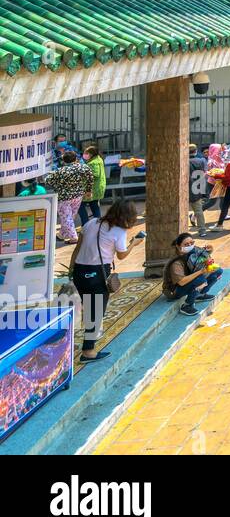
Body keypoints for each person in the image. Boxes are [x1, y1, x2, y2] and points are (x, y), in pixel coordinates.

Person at [71, 199, 142, 361]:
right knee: (95, 312)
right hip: (98, 273)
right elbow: (122, 255)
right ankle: (88, 351)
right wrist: (134, 244)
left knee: (89, 308)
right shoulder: (118, 231)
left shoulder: (91, 223)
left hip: (79, 271)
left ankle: (88, 339)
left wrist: (71, 271)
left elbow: (77, 248)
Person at [163, 232, 222, 316]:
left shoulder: (193, 251)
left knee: (217, 271)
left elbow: (203, 257)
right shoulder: (176, 262)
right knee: (201, 280)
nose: (190, 245)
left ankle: (200, 295)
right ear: (178, 246)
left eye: (192, 243)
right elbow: (181, 282)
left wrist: (209, 251)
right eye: (186, 244)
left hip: (189, 281)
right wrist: (201, 272)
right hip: (174, 290)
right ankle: (187, 305)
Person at [46, 150, 93, 243]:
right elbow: (90, 177)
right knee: (70, 216)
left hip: (64, 197)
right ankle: (62, 234)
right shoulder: (83, 167)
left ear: (64, 161)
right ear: (76, 159)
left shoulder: (60, 171)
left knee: (66, 217)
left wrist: (58, 185)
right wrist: (88, 189)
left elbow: (48, 181)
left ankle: (73, 237)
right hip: (78, 195)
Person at [77, 145, 107, 226]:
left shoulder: (94, 163)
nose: (84, 154)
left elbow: (95, 174)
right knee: (94, 206)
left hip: (92, 189)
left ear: (91, 154)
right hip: (96, 188)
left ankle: (86, 224)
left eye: (86, 153)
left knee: (80, 205)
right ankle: (97, 224)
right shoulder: (98, 159)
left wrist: (82, 174)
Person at [187, 143, 209, 236]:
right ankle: (202, 230)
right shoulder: (202, 160)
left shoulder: (185, 162)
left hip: (187, 188)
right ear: (196, 151)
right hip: (198, 188)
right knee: (199, 211)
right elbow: (206, 173)